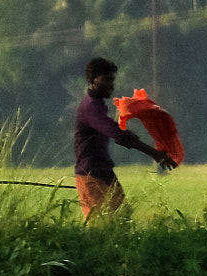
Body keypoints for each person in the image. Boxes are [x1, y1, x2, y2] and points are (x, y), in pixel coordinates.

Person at [75, 56, 175, 218]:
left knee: (123, 216)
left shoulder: (97, 105)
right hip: (90, 173)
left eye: (112, 80)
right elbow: (118, 134)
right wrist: (154, 153)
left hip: (103, 171)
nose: (111, 85)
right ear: (93, 81)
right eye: (106, 79)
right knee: (102, 224)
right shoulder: (91, 107)